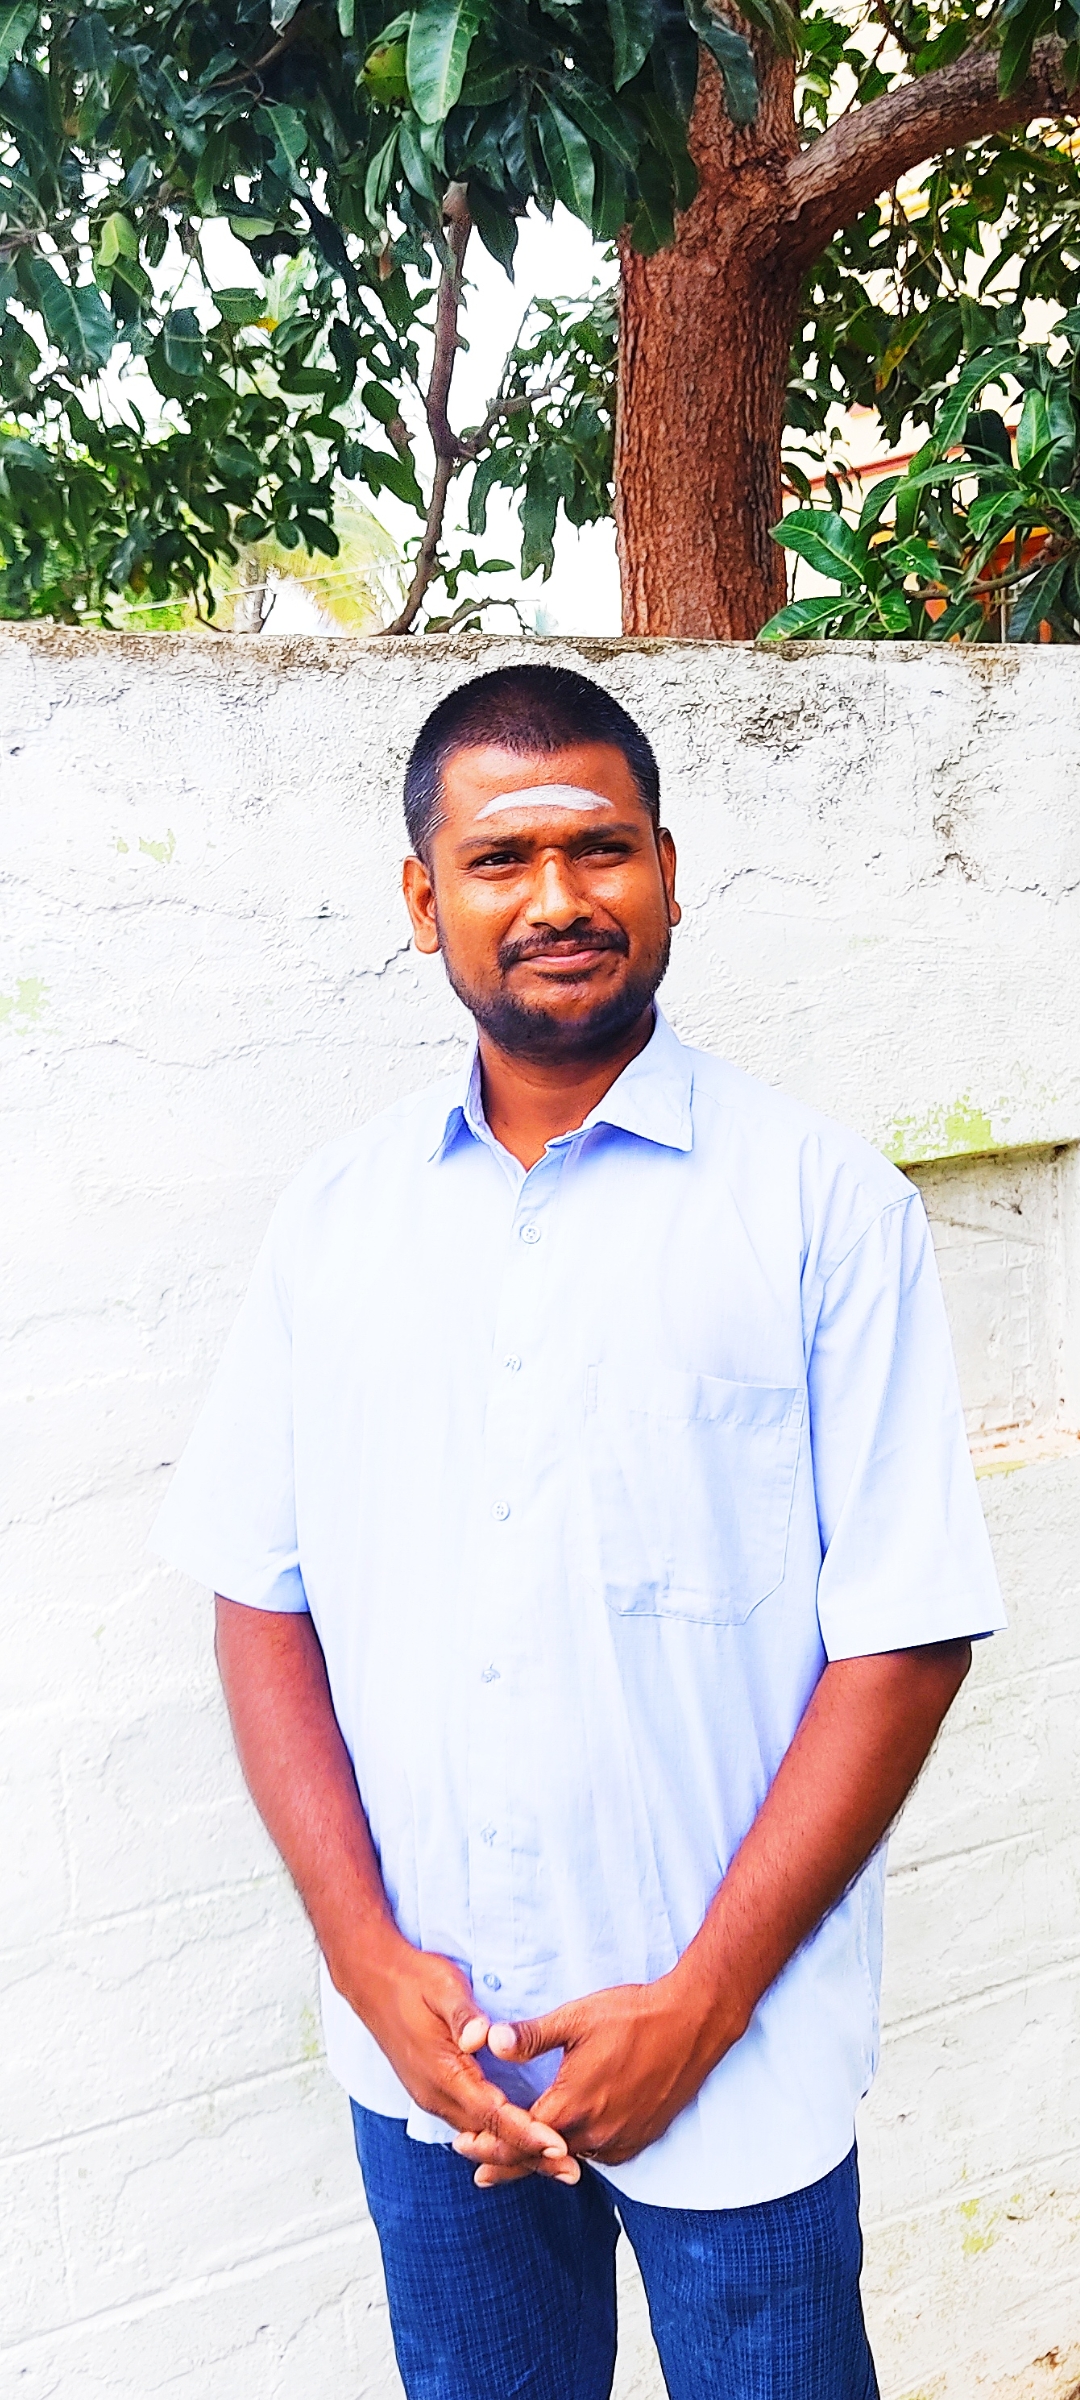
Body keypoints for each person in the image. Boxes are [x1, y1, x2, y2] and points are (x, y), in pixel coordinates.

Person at [153, 662, 1004, 2400]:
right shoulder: (337, 1224)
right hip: (432, 2067)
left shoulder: (819, 1207)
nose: (558, 897)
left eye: (601, 849)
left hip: (734, 2065)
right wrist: (365, 1961)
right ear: (424, 902)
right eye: (500, 859)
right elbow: (262, 1595)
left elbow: (904, 1635)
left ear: (668, 875)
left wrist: (701, 2004)